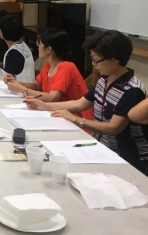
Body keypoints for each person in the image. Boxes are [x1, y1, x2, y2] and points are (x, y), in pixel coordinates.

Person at [26, 30, 148, 175]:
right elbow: (80, 103)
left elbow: (113, 128)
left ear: (115, 59)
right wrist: (44, 106)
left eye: (97, 59)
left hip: (125, 157)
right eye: (92, 58)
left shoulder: (132, 89)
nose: (93, 64)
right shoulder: (104, 79)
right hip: (101, 148)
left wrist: (77, 120)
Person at [4, 28, 94, 122]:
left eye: (39, 43)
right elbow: (37, 86)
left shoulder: (66, 67)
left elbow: (52, 98)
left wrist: (22, 90)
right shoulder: (49, 65)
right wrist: (17, 83)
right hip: (56, 114)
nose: (38, 46)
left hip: (75, 119)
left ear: (48, 49)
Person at [0, 15, 35, 82]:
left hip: (18, 87)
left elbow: (7, 79)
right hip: (27, 85)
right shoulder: (23, 45)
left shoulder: (13, 53)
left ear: (2, 32)